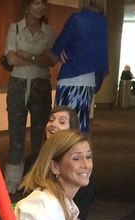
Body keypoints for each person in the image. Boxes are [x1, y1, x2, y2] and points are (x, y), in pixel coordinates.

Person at [2, 0, 57, 194]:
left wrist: (26, 55)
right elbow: (10, 58)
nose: (40, 7)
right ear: (27, 6)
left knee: (39, 135)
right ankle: (12, 180)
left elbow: (51, 60)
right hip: (17, 84)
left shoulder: (49, 31)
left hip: (41, 85)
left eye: (43, 4)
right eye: (36, 3)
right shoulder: (15, 28)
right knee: (15, 133)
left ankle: (36, 178)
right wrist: (36, 58)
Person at [51, 0, 109, 132]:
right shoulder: (103, 22)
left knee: (63, 128)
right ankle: (80, 153)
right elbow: (101, 55)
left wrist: (61, 50)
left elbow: (55, 50)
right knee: (80, 127)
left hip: (70, 79)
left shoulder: (76, 19)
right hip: (89, 82)